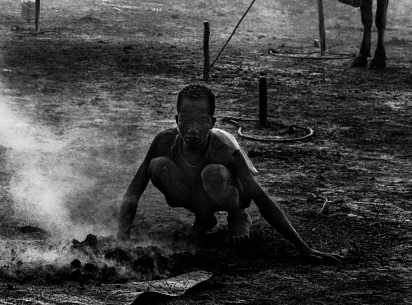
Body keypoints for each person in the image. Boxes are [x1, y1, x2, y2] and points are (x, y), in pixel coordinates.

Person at [117, 84, 340, 262]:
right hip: (198, 192)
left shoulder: (225, 147)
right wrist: (122, 241)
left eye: (201, 122)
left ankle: (239, 217)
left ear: (212, 123)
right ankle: (204, 217)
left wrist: (303, 248)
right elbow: (133, 193)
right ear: (176, 121)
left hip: (234, 192)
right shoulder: (164, 141)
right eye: (185, 121)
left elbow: (260, 198)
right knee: (157, 166)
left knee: (212, 174)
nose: (192, 130)